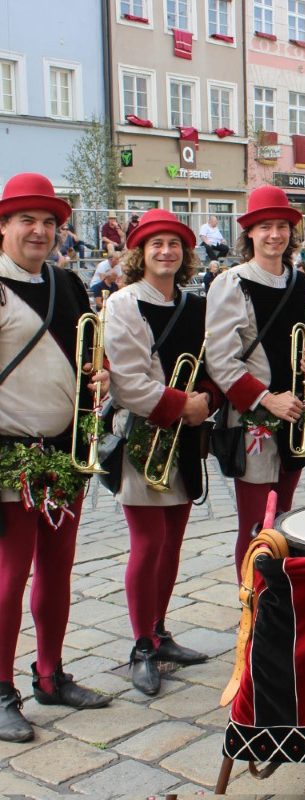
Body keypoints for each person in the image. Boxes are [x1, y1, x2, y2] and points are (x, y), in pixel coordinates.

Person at [0, 173, 111, 743]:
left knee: (58, 569)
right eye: (27, 220)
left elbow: (85, 354)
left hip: (65, 449)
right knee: (7, 577)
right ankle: (0, 689)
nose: (40, 231)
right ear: (4, 226)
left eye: (48, 222)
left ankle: (50, 673)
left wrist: (98, 374)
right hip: (9, 456)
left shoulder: (67, 284)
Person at [104, 209, 217, 696]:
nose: (166, 252)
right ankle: (141, 645)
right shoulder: (125, 304)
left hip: (186, 434)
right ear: (140, 253)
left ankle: (159, 629)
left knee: (172, 541)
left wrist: (206, 399)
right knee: (147, 542)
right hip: (144, 434)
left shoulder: (196, 304)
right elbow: (127, 380)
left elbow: (212, 361)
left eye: (174, 244)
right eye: (156, 245)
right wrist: (182, 404)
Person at [205, 186, 305, 578]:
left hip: (295, 417)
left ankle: (277, 601)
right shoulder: (232, 283)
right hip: (255, 416)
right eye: (265, 227)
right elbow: (220, 359)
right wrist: (266, 399)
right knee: (257, 523)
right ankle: (251, 605)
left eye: (282, 227)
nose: (275, 235)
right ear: (250, 233)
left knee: (284, 516)